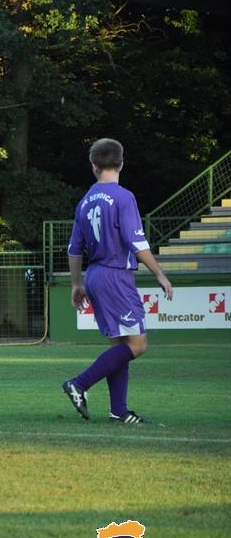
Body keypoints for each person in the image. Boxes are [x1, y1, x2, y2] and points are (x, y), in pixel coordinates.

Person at [63, 138, 173, 424]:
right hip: (115, 276)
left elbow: (74, 249)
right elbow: (136, 242)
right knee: (138, 344)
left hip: (95, 275)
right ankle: (79, 383)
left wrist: (76, 284)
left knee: (120, 345)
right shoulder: (124, 197)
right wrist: (159, 273)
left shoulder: (85, 202)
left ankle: (119, 412)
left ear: (94, 166)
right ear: (121, 164)